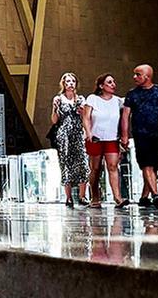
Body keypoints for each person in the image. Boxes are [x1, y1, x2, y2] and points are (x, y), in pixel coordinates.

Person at [122, 65, 158, 209]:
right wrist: (125, 135)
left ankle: (144, 196)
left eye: (138, 74)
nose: (134, 77)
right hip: (140, 134)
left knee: (155, 164)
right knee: (146, 163)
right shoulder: (132, 94)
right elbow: (125, 116)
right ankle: (156, 194)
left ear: (147, 76)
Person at [81, 74, 127, 206]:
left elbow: (125, 115)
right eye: (109, 82)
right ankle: (95, 197)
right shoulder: (92, 99)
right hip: (95, 138)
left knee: (113, 166)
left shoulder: (118, 101)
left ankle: (117, 198)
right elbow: (86, 117)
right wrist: (88, 132)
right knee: (95, 168)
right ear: (101, 86)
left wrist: (123, 136)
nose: (113, 84)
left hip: (112, 138)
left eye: (113, 82)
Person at [49, 73, 88, 206]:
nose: (71, 83)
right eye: (68, 81)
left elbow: (85, 117)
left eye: (73, 81)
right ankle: (68, 197)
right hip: (64, 134)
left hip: (77, 133)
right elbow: (54, 120)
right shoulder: (59, 99)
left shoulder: (80, 99)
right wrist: (55, 108)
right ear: (63, 84)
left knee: (82, 163)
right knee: (66, 163)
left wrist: (82, 112)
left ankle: (82, 196)